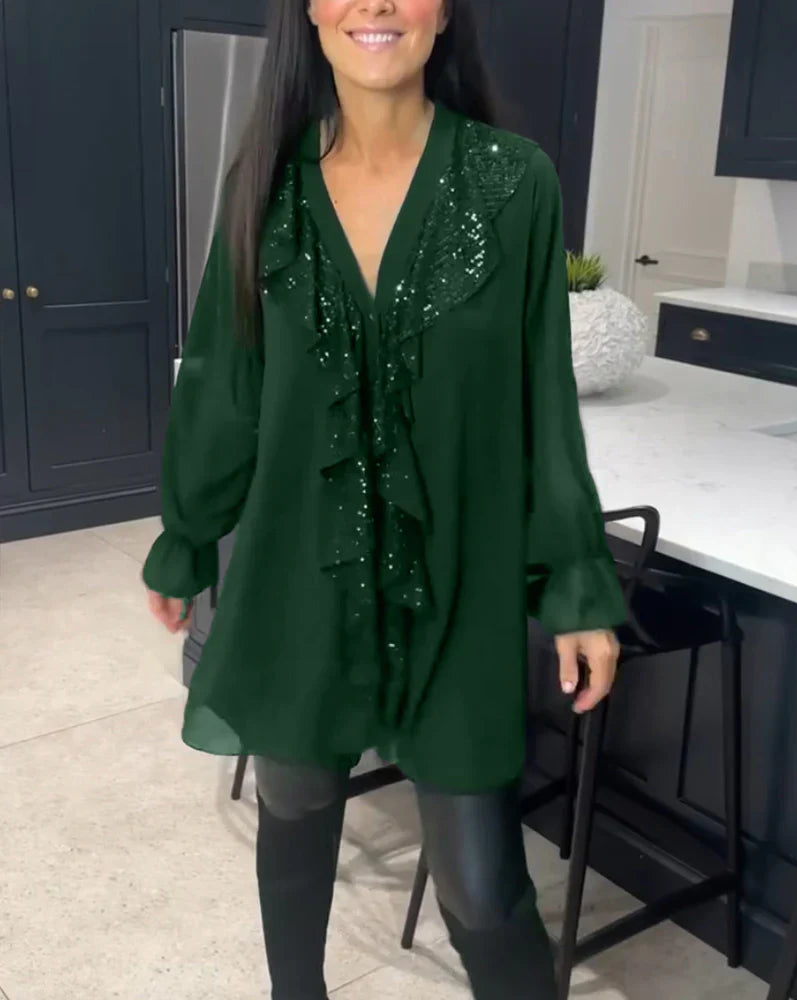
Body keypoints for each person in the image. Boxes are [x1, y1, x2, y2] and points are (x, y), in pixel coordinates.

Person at [143, 0, 627, 997]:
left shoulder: (512, 182)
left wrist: (577, 582)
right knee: (294, 804)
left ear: (443, 12)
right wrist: (185, 537)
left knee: (482, 888)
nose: (374, 4)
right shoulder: (265, 185)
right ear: (310, 12)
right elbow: (224, 387)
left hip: (457, 585)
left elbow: (541, 402)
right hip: (295, 578)